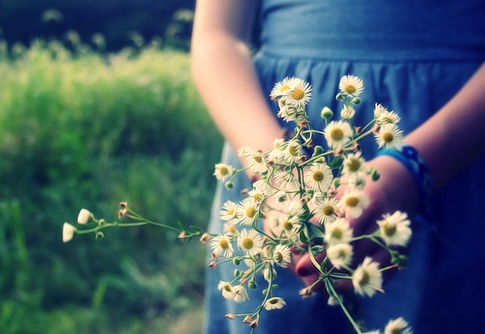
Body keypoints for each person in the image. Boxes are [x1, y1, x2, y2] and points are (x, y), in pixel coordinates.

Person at [191, 0, 485, 333]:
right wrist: (276, 173)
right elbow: (216, 38)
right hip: (269, 144)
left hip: (457, 147)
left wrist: (414, 169)